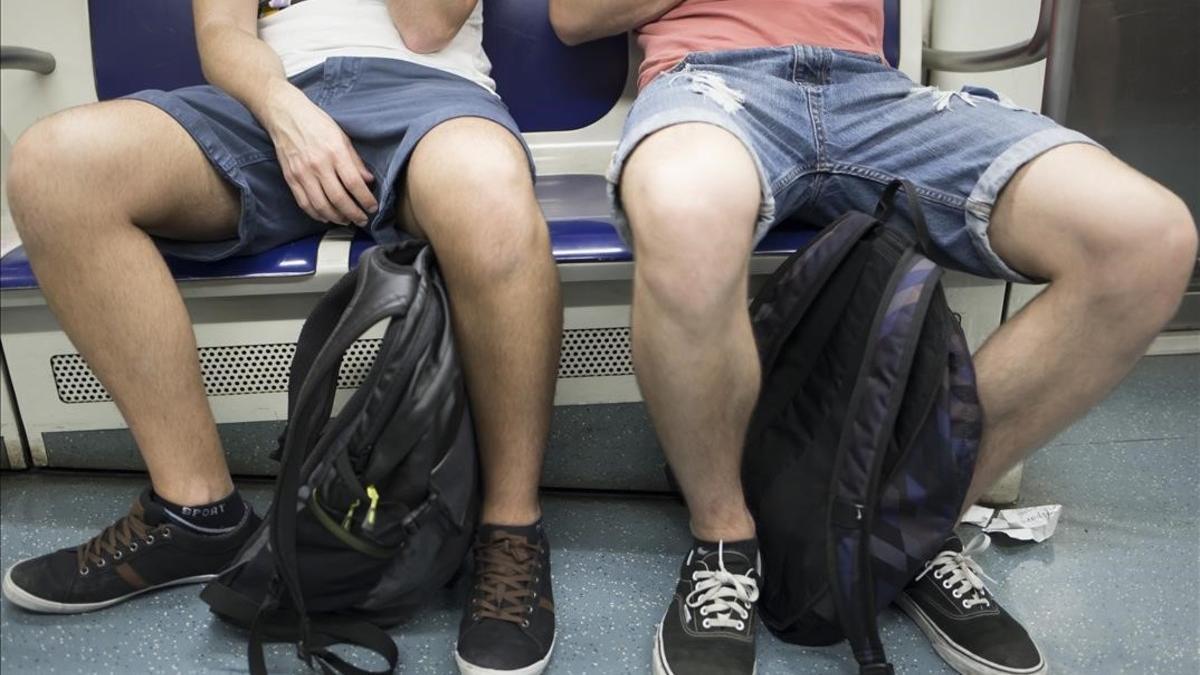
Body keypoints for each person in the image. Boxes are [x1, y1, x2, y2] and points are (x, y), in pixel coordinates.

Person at [548, 1, 1197, 674]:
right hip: (715, 81)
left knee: (1147, 242)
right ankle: (724, 540)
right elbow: (575, 16)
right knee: (684, 209)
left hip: (873, 91)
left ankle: (911, 525)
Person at [2, 1, 560, 673]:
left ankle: (509, 531)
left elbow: (426, 26)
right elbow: (222, 33)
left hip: (424, 95)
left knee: (490, 195)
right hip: (267, 104)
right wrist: (284, 112)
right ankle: (194, 513)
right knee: (53, 163)